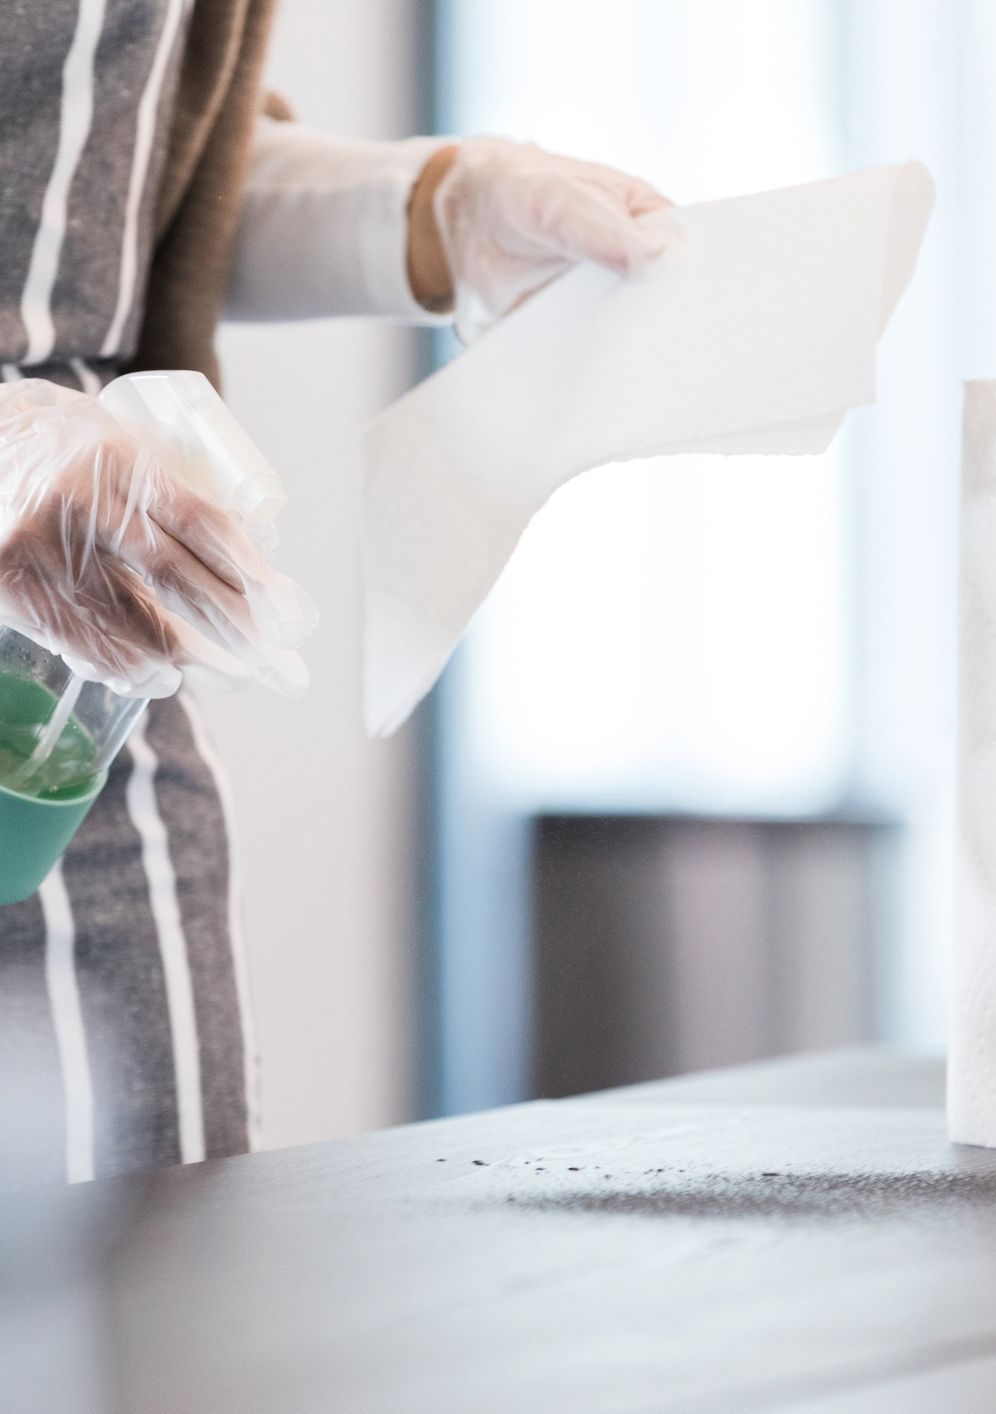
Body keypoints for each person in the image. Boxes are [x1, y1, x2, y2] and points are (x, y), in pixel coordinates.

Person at [0, 0, 669, 1181]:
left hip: (91, 683)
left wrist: (433, 212)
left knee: (164, 1311)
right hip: (44, 501)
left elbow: (131, 172)